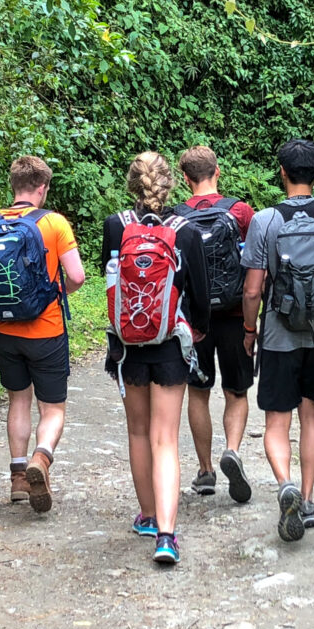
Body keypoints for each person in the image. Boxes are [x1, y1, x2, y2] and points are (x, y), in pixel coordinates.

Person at [241, 139, 314, 542]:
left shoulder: (265, 221)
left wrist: (249, 332)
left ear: (282, 173)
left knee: (277, 421)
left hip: (277, 333)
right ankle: (306, 500)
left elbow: (253, 290)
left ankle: (284, 483)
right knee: (311, 416)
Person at [102, 152, 210, 564]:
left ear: (132, 184)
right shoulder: (185, 231)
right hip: (170, 346)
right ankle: (167, 536)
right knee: (165, 438)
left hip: (127, 346)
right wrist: (194, 330)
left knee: (138, 433)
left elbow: (111, 283)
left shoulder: (116, 226)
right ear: (171, 185)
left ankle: (147, 515)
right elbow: (199, 296)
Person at [0, 155, 85, 513]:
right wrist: (51, 295)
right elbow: (76, 277)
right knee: (52, 408)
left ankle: (18, 478)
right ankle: (41, 460)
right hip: (46, 330)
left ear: (13, 186)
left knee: (18, 399)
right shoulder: (54, 223)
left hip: (3, 330)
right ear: (42, 188)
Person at [174, 146, 256, 503]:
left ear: (185, 178)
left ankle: (205, 470)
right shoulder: (240, 211)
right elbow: (255, 265)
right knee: (236, 392)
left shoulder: (174, 217)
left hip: (195, 320)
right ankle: (233, 451)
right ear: (217, 171)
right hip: (237, 315)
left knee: (198, 392)